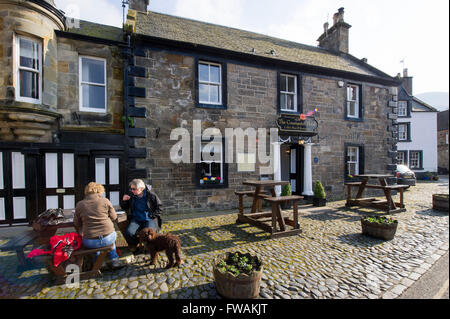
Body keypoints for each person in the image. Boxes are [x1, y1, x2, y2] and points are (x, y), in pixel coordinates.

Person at [73, 182, 124, 270]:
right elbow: (114, 217)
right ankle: (114, 260)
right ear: (100, 191)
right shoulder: (105, 201)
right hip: (107, 238)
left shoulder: (80, 204)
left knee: (96, 245)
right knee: (111, 236)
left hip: (90, 241)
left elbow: (77, 223)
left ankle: (99, 263)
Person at [120, 179, 162, 253]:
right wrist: (124, 201)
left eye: (134, 189)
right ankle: (136, 244)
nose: (132, 190)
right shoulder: (131, 196)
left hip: (149, 219)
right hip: (136, 219)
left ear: (141, 189)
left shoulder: (151, 195)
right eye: (131, 189)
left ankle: (149, 247)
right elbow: (125, 207)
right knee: (128, 233)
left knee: (149, 233)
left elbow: (159, 208)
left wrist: (152, 215)